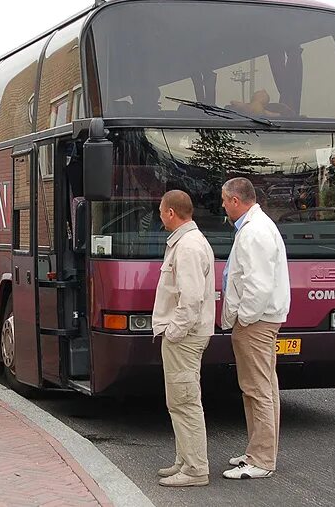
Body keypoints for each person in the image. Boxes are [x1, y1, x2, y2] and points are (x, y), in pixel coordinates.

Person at [220, 177, 290, 480]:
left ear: (236, 201)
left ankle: (261, 459)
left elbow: (257, 285)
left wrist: (244, 318)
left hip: (256, 322)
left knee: (257, 389)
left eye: (224, 200)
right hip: (261, 319)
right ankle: (258, 452)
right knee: (264, 388)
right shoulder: (258, 227)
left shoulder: (253, 232)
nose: (222, 206)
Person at [152, 190, 215, 488]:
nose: (160, 215)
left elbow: (190, 300)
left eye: (161, 211)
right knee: (178, 401)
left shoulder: (187, 247)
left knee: (185, 401)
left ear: (171, 213)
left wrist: (174, 332)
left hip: (184, 337)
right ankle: (184, 459)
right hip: (186, 335)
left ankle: (194, 469)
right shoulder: (188, 242)